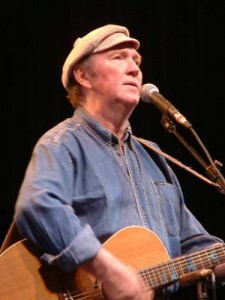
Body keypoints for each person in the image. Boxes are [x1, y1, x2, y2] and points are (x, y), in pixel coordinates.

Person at [13, 24, 225, 300]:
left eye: (136, 61)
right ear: (83, 75)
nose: (135, 69)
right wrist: (107, 269)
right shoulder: (62, 143)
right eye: (119, 58)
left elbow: (194, 246)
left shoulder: (154, 157)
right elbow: (38, 206)